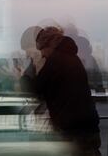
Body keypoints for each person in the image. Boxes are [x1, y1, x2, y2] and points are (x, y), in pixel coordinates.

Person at [20, 26, 101, 156]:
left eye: (42, 49)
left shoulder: (55, 60)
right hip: (88, 125)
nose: (42, 54)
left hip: (72, 129)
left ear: (49, 45)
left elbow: (36, 89)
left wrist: (23, 77)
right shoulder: (73, 58)